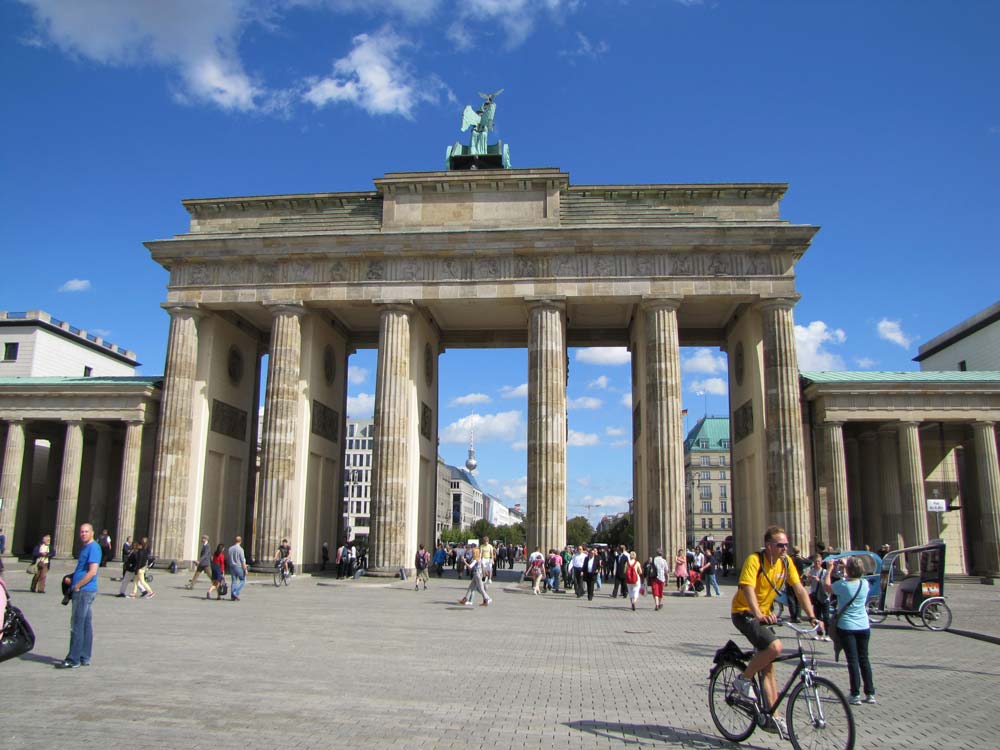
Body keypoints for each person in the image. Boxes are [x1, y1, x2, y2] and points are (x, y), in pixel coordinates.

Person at [730, 526, 822, 735]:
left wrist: (812, 616)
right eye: (781, 545)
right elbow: (747, 588)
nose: (785, 548)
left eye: (786, 545)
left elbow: (799, 589)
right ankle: (743, 679)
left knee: (769, 668)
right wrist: (758, 614)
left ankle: (774, 716)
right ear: (769, 546)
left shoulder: (786, 563)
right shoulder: (755, 560)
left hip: (765, 615)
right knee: (775, 646)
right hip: (744, 613)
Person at [823, 556, 876, 705]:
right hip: (864, 626)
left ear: (848, 570)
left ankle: (855, 694)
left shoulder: (843, 585)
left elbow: (827, 587)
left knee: (852, 660)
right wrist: (849, 566)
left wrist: (829, 570)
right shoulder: (864, 584)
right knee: (864, 659)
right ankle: (870, 693)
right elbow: (857, 575)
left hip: (847, 626)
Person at [61, 523, 102, 668]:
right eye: (82, 531)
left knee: (77, 625)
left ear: (92, 532)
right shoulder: (87, 547)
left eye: (86, 531)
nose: (83, 534)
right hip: (83, 589)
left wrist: (77, 585)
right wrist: (72, 578)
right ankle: (84, 657)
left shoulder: (93, 548)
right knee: (85, 624)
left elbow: (92, 572)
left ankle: (73, 659)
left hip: (84, 591)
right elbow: (83, 570)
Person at [227, 535, 248, 601]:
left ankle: (232, 596)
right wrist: (245, 569)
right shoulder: (240, 549)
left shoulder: (230, 548)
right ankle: (235, 592)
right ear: (240, 541)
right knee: (243, 580)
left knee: (234, 581)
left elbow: (228, 558)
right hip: (238, 567)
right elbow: (242, 560)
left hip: (232, 566)